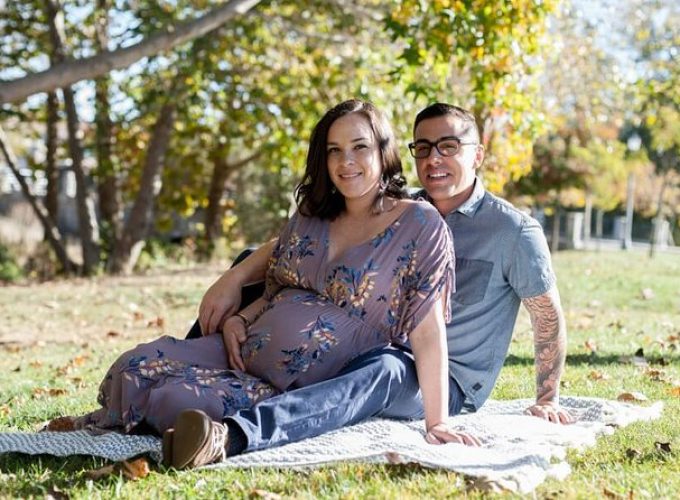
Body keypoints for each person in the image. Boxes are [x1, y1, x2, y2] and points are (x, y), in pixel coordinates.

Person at [71, 100, 472, 469]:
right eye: (334, 150)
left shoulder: (419, 225)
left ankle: (183, 426)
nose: (346, 161)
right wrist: (240, 319)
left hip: (293, 382)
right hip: (242, 352)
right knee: (134, 365)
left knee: (174, 398)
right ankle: (137, 419)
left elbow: (428, 328)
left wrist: (437, 421)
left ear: (383, 152)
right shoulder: (311, 216)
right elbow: (276, 288)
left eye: (359, 147)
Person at [186, 102, 572, 464]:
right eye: (423, 148)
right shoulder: (406, 211)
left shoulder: (513, 231)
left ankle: (233, 436)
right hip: (368, 339)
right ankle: (185, 376)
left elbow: (547, 315)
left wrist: (547, 397)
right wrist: (235, 277)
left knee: (385, 370)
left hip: (439, 378)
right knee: (257, 266)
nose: (433, 158)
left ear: (477, 155)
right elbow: (295, 247)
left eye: (449, 146)